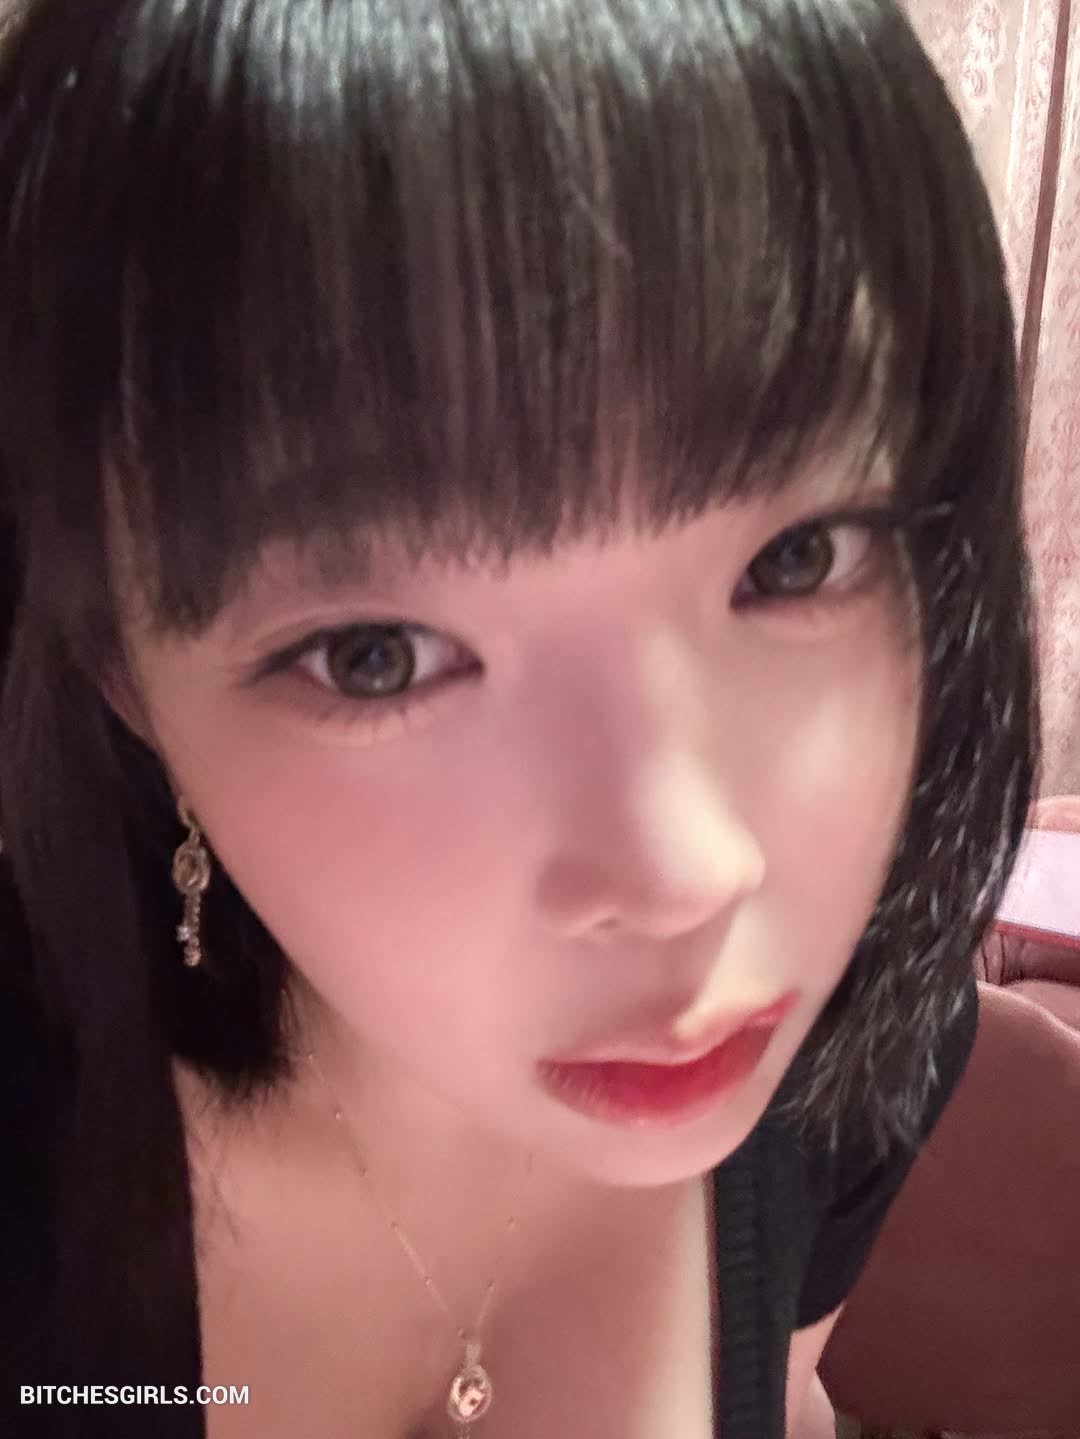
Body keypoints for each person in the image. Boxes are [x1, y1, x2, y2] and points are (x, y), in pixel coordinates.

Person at [0, 1, 1037, 1437]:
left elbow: (789, 1384)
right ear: (119, 669)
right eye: (376, 657)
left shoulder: (857, 1048)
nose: (686, 873)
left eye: (798, 560)